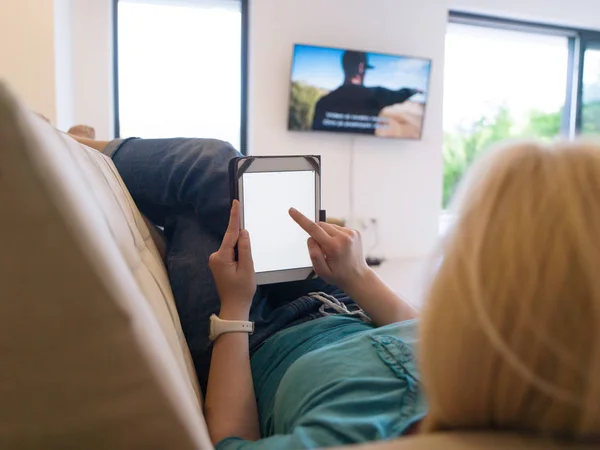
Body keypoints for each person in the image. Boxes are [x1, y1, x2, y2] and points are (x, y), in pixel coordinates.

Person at [73, 134, 600, 448]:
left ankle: (80, 149)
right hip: (336, 298)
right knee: (230, 174)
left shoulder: (351, 432)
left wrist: (234, 305)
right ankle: (93, 151)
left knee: (206, 184)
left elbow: (232, 440)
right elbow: (413, 330)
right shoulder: (477, 375)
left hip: (252, 335)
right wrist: (357, 275)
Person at [312, 51, 423, 134]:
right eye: (366, 69)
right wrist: (416, 90)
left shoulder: (323, 102)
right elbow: (401, 94)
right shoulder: (376, 95)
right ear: (361, 68)